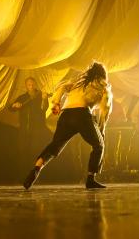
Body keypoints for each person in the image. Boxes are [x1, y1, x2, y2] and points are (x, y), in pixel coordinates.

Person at [23, 62, 113, 190]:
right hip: (82, 114)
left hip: (66, 114)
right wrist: (101, 132)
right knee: (99, 145)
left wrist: (56, 103)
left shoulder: (78, 83)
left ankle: (36, 168)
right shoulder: (103, 86)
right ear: (103, 75)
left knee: (55, 145)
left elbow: (63, 87)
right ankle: (90, 179)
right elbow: (105, 112)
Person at [10, 77, 50, 170]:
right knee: (23, 152)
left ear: (35, 84)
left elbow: (44, 109)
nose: (31, 86)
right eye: (29, 84)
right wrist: (14, 105)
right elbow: (11, 109)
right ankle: (22, 175)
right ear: (26, 86)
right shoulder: (22, 97)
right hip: (24, 129)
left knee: (36, 151)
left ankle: (35, 174)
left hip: (37, 129)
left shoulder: (41, 95)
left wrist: (44, 99)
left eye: (32, 84)